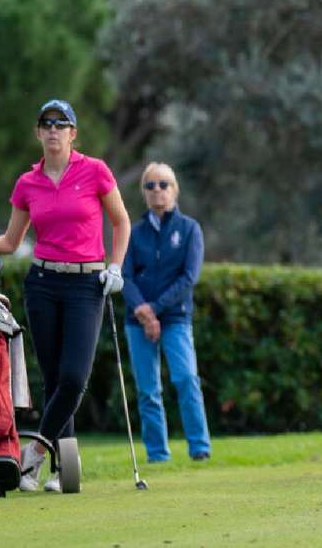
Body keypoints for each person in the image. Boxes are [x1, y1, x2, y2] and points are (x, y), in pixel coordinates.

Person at [0, 99, 131, 492]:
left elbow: (121, 221)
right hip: (43, 284)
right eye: (46, 124)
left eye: (61, 124)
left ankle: (31, 455)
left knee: (72, 376)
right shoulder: (27, 183)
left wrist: (115, 266)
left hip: (87, 284)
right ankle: (60, 470)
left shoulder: (96, 171)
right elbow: (12, 239)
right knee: (52, 378)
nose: (53, 130)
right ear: (38, 133)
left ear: (73, 134)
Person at [121, 162, 211, 462]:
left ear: (175, 190)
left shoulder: (189, 229)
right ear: (144, 193)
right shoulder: (134, 233)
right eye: (150, 185)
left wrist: (154, 310)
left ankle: (200, 448)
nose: (157, 190)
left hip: (175, 318)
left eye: (163, 184)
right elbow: (125, 276)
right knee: (148, 391)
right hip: (137, 321)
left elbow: (189, 277)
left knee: (186, 379)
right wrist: (143, 313)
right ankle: (158, 455)